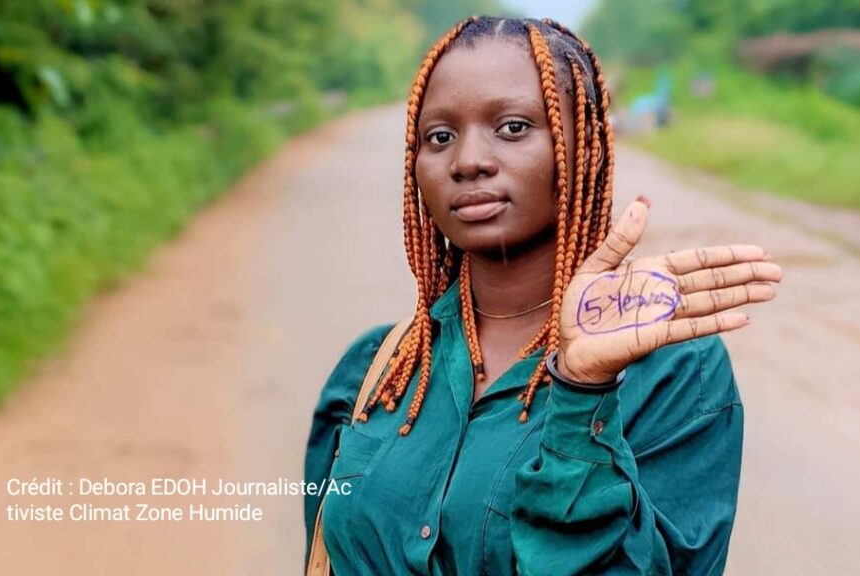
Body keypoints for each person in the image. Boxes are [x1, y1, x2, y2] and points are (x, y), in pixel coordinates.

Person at [304, 16, 782, 576]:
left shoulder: (675, 373)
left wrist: (582, 394)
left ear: (585, 149)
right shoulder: (373, 373)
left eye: (511, 127)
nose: (468, 161)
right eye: (440, 137)